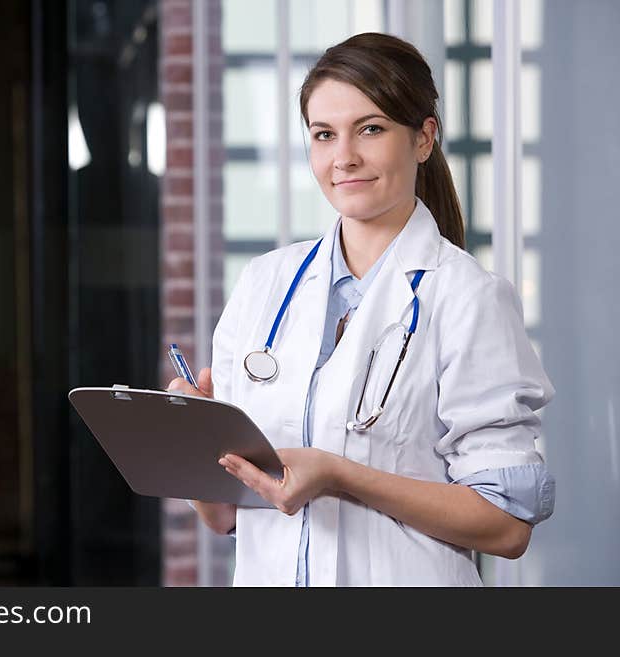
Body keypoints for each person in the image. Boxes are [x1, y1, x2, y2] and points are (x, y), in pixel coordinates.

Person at [168, 32, 555, 586]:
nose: (343, 157)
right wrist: (197, 448)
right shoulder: (263, 286)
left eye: (370, 129)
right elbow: (227, 517)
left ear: (423, 139)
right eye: (324, 134)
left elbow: (507, 525)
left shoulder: (467, 297)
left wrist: (339, 475)